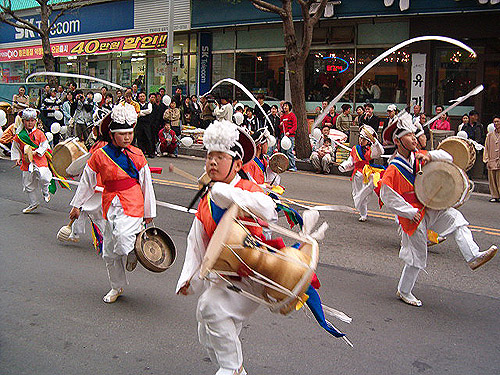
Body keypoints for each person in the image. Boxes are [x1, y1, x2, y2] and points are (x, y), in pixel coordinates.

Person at [176, 119, 277, 375]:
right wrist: (189, 278)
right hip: (221, 274)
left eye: (220, 157)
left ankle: (232, 369)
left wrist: (228, 195)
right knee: (206, 330)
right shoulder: (207, 199)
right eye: (209, 156)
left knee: (210, 307)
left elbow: (269, 210)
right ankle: (234, 368)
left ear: (237, 164)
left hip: (250, 273)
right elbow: (196, 241)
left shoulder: (248, 189)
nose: (211, 162)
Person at [379, 113, 497, 307]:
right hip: (413, 215)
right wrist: (408, 211)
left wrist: (431, 155)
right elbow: (387, 196)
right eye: (409, 136)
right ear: (398, 141)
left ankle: (473, 255)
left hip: (429, 207)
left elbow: (448, 157)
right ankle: (404, 290)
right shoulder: (394, 168)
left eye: (414, 134)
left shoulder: (419, 157)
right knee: (417, 256)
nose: (414, 138)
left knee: (456, 218)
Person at [69, 103, 156, 304]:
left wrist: (149, 211)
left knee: (123, 236)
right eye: (122, 134)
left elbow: (146, 184)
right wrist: (77, 205)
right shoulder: (99, 155)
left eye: (129, 133)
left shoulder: (137, 155)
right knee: (108, 250)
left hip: (132, 201)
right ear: (112, 134)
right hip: (109, 202)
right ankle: (116, 286)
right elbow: (87, 181)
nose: (127, 137)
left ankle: (134, 249)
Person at [11, 108, 53, 213]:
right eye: (27, 120)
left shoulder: (39, 133)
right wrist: (17, 158)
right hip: (27, 161)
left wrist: (36, 152)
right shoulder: (19, 136)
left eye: (32, 120)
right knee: (28, 183)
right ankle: (33, 203)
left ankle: (45, 191)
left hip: (39, 159)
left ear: (35, 121)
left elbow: (45, 145)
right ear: (23, 121)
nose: (30, 123)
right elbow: (15, 148)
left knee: (44, 176)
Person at [339, 125, 384, 222]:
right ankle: (362, 211)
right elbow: (350, 161)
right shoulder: (355, 149)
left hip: (366, 175)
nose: (361, 140)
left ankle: (364, 213)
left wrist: (375, 142)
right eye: (360, 138)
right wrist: (344, 166)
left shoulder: (370, 150)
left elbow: (380, 152)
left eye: (363, 139)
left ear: (368, 141)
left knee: (363, 195)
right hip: (356, 175)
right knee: (356, 193)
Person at [483, 115, 500, 202]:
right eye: (495, 122)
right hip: (491, 159)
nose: (496, 123)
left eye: (498, 122)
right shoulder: (489, 135)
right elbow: (486, 147)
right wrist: (486, 159)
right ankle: (495, 196)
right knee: (492, 179)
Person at [136, 92, 154, 158]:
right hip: (139, 124)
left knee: (148, 138)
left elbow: (149, 111)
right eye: (141, 96)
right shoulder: (136, 104)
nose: (142, 97)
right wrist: (143, 112)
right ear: (138, 98)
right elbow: (136, 112)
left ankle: (150, 152)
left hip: (147, 124)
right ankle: (141, 152)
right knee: (140, 138)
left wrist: (140, 112)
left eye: (143, 96)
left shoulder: (149, 104)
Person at [280, 101, 297, 171]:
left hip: (290, 136)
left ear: (289, 107)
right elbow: (280, 127)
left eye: (286, 106)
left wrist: (289, 132)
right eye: (284, 106)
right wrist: (280, 125)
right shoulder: (282, 116)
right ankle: (285, 166)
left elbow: (295, 126)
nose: (285, 107)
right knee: (283, 152)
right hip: (283, 136)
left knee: (289, 151)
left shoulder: (292, 115)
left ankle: (293, 166)